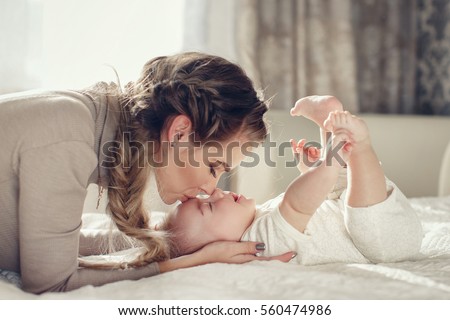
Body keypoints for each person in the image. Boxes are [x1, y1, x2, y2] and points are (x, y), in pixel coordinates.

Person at [0, 52, 294, 294]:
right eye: (213, 167)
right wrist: (190, 261)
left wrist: (169, 243)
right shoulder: (69, 136)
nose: (209, 187)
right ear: (180, 132)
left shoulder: (87, 122)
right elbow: (52, 283)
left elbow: (50, 247)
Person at [162, 98, 423, 265]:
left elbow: (308, 209)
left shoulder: (257, 219)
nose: (217, 192)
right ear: (219, 248)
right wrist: (323, 168)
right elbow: (297, 206)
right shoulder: (256, 244)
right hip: (386, 244)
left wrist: (310, 173)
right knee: (359, 206)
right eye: (209, 206)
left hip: (349, 212)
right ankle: (360, 145)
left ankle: (328, 123)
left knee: (341, 185)